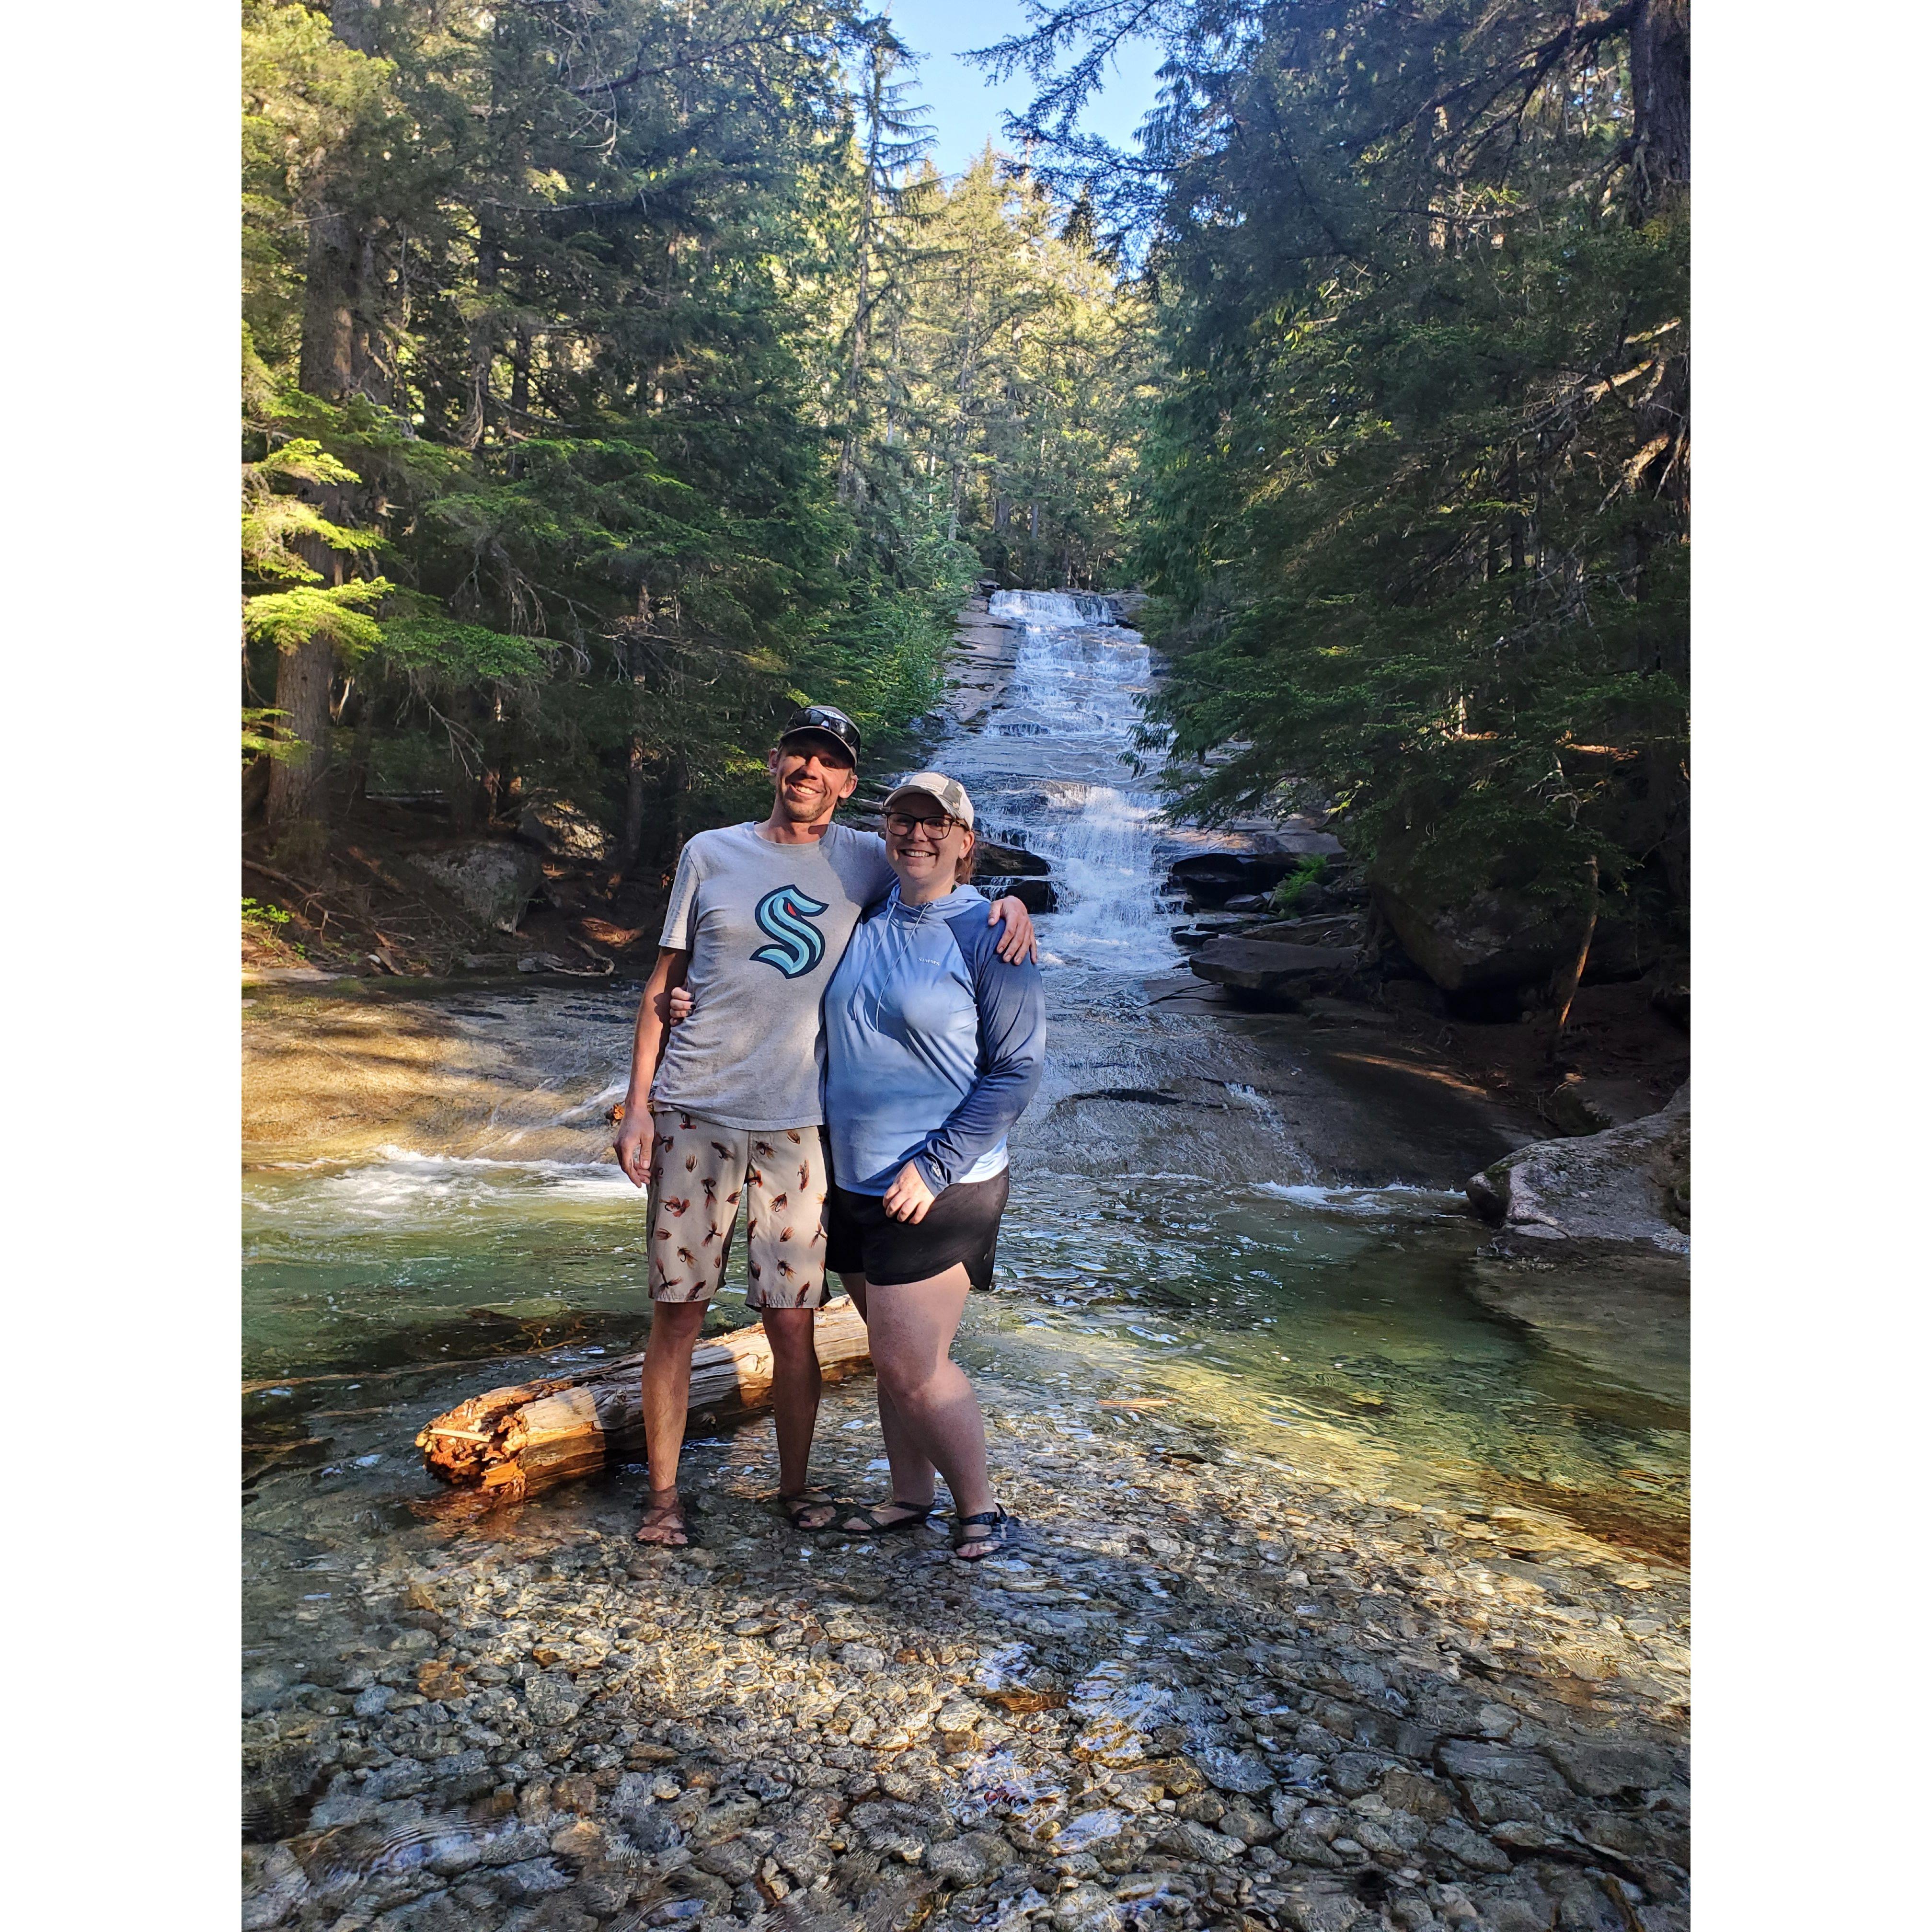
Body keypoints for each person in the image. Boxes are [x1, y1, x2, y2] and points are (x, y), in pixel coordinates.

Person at [612, 708, 1037, 1547]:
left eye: (831, 761)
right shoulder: (725, 855)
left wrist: (1014, 904)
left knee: (806, 1327)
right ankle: (669, 1501)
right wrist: (638, 1103)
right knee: (680, 1315)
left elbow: (957, 916)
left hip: (815, 1140)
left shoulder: (883, 872)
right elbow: (667, 980)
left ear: (847, 786)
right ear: (776, 762)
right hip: (720, 1119)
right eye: (800, 752)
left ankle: (853, 1496)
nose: (811, 769)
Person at [819, 773, 1046, 1561]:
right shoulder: (869, 907)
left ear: (965, 841)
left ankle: (982, 1508)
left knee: (915, 1366)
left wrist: (936, 1166)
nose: (917, 834)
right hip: (852, 1176)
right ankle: (909, 1496)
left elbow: (1017, 1071)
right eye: (903, 819)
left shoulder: (989, 932)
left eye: (936, 823)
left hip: (942, 1182)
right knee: (889, 1359)